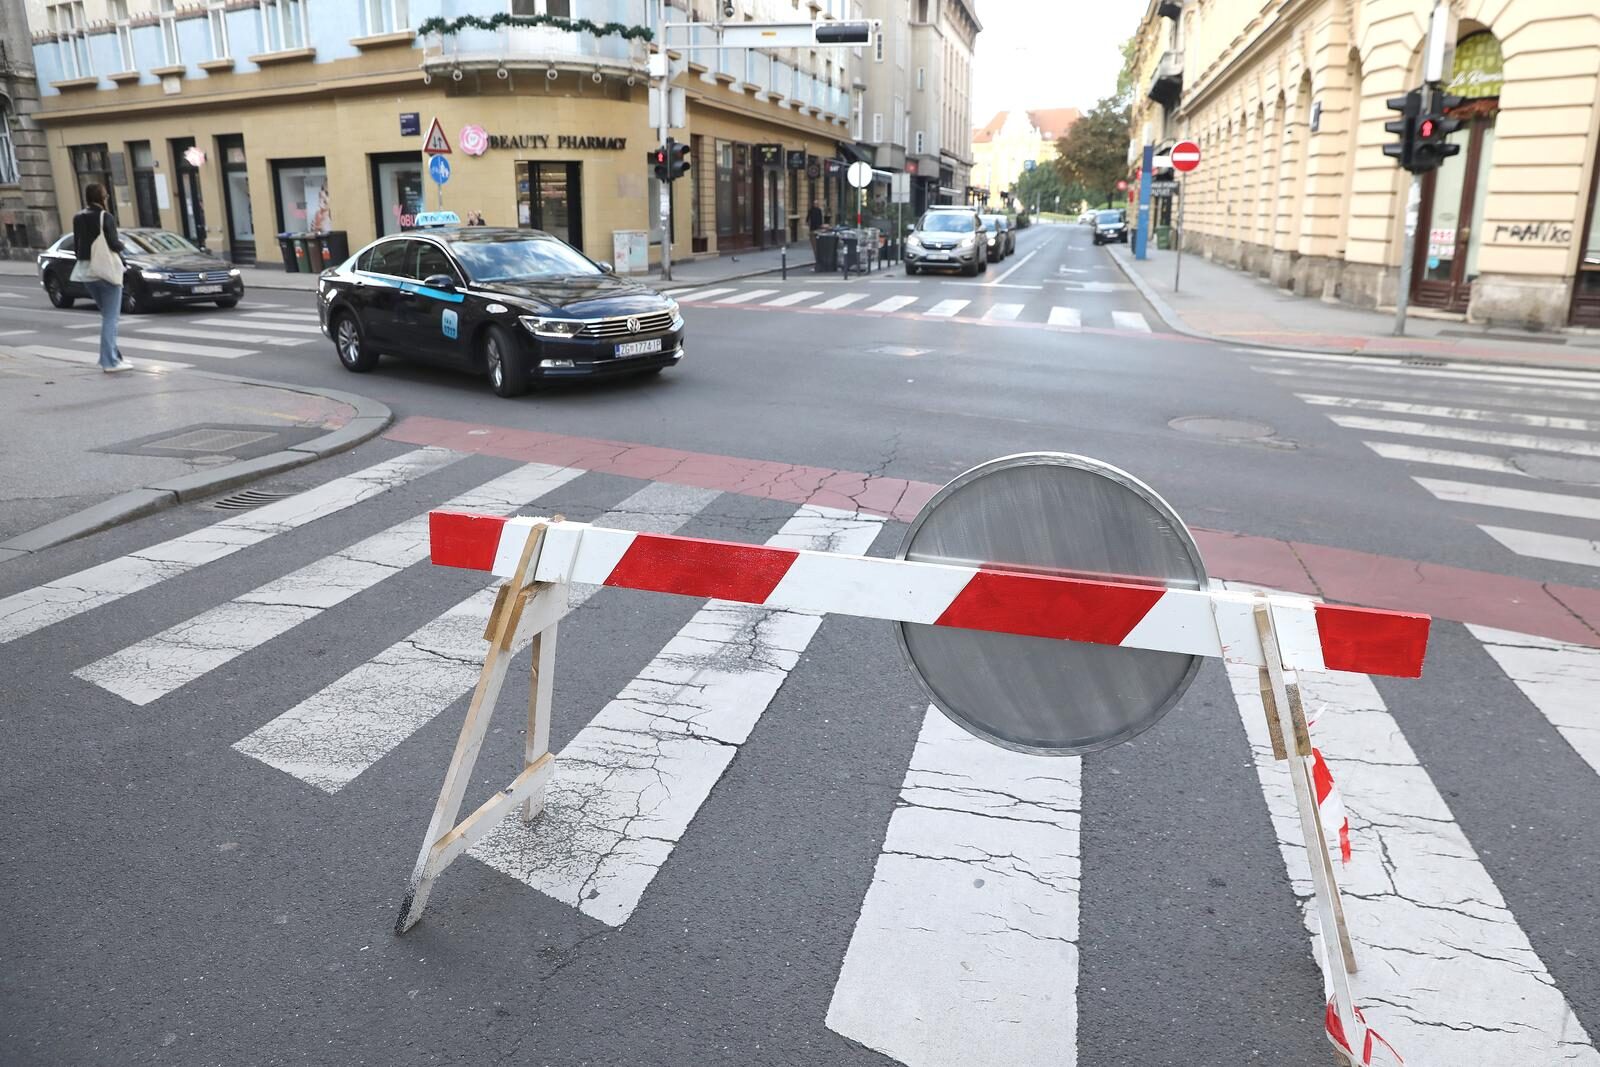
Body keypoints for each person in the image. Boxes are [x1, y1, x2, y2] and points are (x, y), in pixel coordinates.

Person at [72, 183, 130, 374]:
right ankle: (109, 361)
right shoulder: (106, 216)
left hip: (86, 271)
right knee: (111, 318)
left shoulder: (78, 217)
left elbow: (77, 246)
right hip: (105, 270)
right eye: (106, 196)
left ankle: (115, 356)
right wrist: (123, 245)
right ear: (102, 197)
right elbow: (113, 243)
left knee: (107, 315)